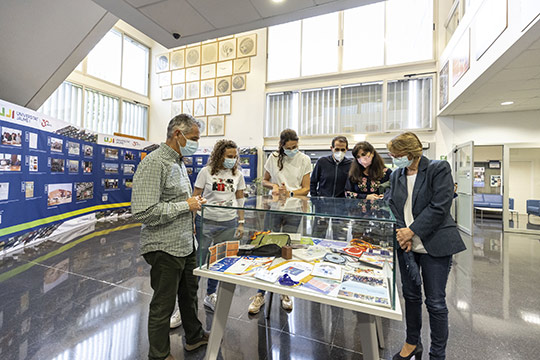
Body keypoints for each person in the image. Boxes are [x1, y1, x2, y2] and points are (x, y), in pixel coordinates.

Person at [131, 114, 209, 360]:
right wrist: (185, 206)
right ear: (178, 134)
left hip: (186, 244)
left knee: (189, 295)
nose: (196, 143)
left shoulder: (178, 162)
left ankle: (194, 337)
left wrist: (192, 204)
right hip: (164, 247)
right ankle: (159, 354)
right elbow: (143, 212)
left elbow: (179, 201)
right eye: (194, 138)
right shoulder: (155, 163)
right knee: (163, 304)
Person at [387, 132, 466, 360]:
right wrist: (403, 235)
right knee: (410, 297)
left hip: (434, 244)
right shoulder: (396, 174)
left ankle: (437, 354)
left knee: (436, 302)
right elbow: (393, 204)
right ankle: (412, 342)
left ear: (410, 153)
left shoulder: (438, 169)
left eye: (397, 154)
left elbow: (440, 206)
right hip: (406, 245)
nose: (393, 158)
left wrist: (412, 231)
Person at [248, 129, 311, 315]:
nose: (292, 150)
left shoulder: (304, 160)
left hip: (294, 209)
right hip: (274, 209)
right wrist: (274, 186)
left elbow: (306, 189)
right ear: (282, 145)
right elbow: (265, 181)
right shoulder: (273, 157)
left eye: (295, 147)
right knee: (268, 246)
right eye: (288, 147)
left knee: (288, 249)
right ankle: (260, 292)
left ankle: (285, 290)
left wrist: (290, 193)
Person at [193, 139, 246, 311]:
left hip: (228, 221)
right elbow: (195, 197)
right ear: (219, 155)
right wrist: (192, 221)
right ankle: (189, 298)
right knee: (200, 259)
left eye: (234, 156)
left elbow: (240, 199)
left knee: (219, 259)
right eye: (229, 156)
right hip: (206, 220)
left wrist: (241, 222)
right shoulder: (206, 172)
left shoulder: (238, 174)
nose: (232, 159)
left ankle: (210, 294)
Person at [310, 136, 352, 240]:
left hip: (341, 207)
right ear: (331, 148)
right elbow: (313, 182)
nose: (340, 152)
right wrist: (315, 200)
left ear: (347, 149)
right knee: (318, 235)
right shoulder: (322, 162)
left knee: (340, 237)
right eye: (337, 149)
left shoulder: (350, 164)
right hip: (322, 206)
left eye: (343, 149)